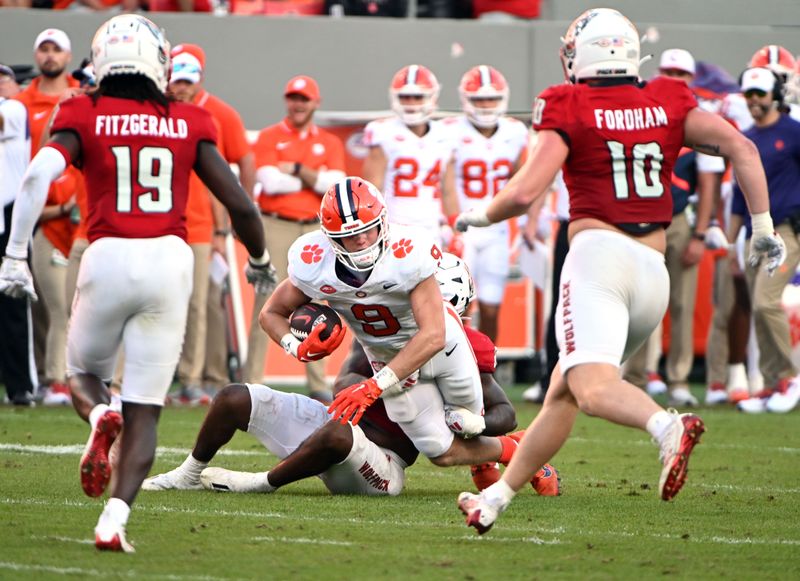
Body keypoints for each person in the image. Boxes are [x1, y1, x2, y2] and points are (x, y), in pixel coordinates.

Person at [453, 8, 782, 534]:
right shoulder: (669, 96)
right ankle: (495, 498)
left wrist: (480, 214)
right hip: (653, 270)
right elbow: (741, 147)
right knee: (564, 386)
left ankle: (666, 427)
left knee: (590, 385)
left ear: (580, 55)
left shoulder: (568, 101)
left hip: (599, 260)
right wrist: (762, 225)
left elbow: (523, 192)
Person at [0, 14, 276, 552]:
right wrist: (261, 259)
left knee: (84, 375)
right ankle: (114, 521)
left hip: (105, 253)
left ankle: (101, 414)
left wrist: (14, 256)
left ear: (101, 60)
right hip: (170, 260)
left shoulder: (83, 109)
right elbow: (239, 201)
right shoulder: (191, 119)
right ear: (159, 60)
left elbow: (35, 177)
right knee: (146, 408)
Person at [140, 253, 560, 496]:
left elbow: (504, 408)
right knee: (234, 397)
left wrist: (476, 422)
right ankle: (190, 472)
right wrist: (367, 388)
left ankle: (259, 483)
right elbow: (343, 382)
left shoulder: (466, 349)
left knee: (343, 435)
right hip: (336, 426)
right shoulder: (382, 332)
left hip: (383, 462)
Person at [263, 177, 523, 475]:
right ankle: (503, 452)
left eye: (367, 230)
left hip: (438, 349)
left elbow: (434, 334)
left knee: (469, 420)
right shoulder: (315, 261)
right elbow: (271, 313)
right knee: (439, 450)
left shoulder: (409, 253)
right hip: (385, 354)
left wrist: (375, 386)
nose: (361, 240)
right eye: (351, 235)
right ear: (330, 238)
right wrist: (297, 347)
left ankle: (491, 458)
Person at [624, 48, 726, 407]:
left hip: (680, 218)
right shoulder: (642, 109)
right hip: (644, 218)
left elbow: (709, 180)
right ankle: (636, 376)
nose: (673, 78)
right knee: (641, 301)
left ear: (690, 78)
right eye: (668, 71)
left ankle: (679, 377)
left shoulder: (700, 116)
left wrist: (701, 231)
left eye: (680, 73)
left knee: (681, 304)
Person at [244, 75, 346, 401]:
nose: (298, 104)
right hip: (277, 223)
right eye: (293, 98)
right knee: (267, 300)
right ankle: (253, 379)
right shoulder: (270, 136)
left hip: (316, 227)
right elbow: (270, 182)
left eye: (304, 99)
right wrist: (311, 178)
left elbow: (333, 184)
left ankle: (318, 382)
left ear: (315, 102)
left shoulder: (329, 141)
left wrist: (298, 169)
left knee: (319, 300)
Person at [167, 43, 256, 404]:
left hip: (203, 225)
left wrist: (236, 218)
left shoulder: (218, 113)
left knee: (202, 304)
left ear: (199, 77)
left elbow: (243, 163)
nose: (181, 86)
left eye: (188, 79)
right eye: (176, 78)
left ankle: (201, 377)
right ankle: (181, 377)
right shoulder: (160, 109)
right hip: (164, 222)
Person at [15, 28, 82, 403]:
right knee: (50, 309)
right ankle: (50, 378)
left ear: (68, 56)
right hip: (45, 221)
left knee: (71, 307)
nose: (50, 55)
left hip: (85, 221)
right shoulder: (21, 103)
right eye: (44, 48)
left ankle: (61, 377)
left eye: (57, 48)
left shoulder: (84, 98)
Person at [441, 65, 529, 342]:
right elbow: (444, 180)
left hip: (496, 229)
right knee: (459, 305)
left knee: (491, 307)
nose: (486, 105)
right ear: (466, 101)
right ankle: (457, 364)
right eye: (479, 100)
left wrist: (525, 223)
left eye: (491, 99)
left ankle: (487, 365)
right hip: (463, 227)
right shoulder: (449, 131)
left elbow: (522, 178)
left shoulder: (515, 132)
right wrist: (452, 221)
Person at [732, 68, 800, 415]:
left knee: (765, 302)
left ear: (775, 94)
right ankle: (774, 382)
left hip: (787, 229)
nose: (754, 101)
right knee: (757, 308)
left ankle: (789, 377)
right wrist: (730, 243)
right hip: (753, 233)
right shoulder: (745, 138)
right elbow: (735, 196)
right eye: (749, 94)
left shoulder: (794, 132)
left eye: (760, 93)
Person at [362, 65, 452, 242]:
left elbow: (448, 190)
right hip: (395, 225)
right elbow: (372, 189)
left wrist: (454, 226)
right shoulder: (383, 132)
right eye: (405, 97)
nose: (411, 103)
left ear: (431, 97)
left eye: (417, 97)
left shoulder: (446, 133)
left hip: (431, 226)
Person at [0, 63, 37, 407]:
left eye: (3, 78)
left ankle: (20, 384)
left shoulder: (14, 109)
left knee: (12, 304)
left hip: (9, 215)